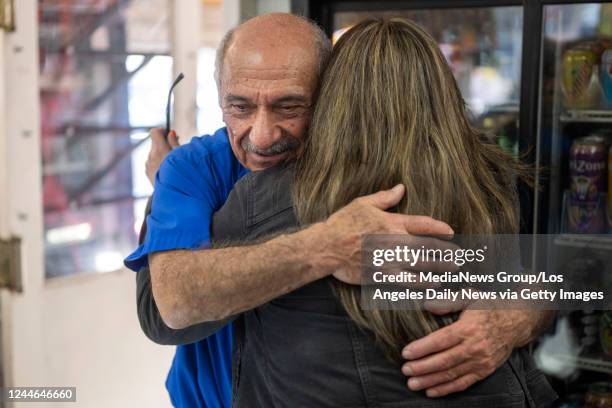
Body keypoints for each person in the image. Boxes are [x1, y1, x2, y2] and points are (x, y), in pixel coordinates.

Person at [128, 13, 553, 408]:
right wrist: (326, 246)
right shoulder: (192, 172)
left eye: (289, 106)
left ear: (329, 94)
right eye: (239, 106)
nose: (261, 136)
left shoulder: (473, 182)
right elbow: (169, 311)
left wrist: (517, 313)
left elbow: (551, 279)